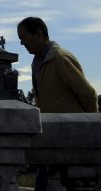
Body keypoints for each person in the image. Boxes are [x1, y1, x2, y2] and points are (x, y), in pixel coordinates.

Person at [17, 17, 97, 191]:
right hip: (50, 139)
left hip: (70, 139)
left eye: (24, 37)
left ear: (38, 34)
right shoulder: (38, 61)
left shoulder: (60, 58)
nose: (22, 43)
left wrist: (88, 127)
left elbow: (88, 95)